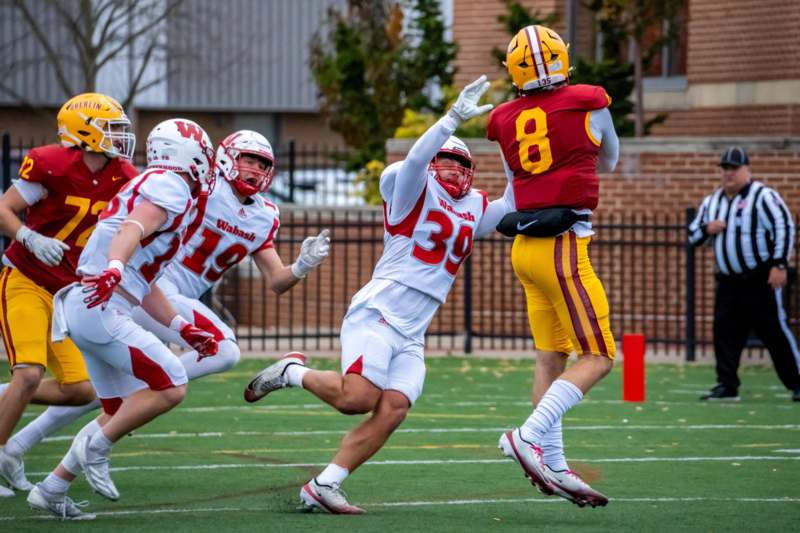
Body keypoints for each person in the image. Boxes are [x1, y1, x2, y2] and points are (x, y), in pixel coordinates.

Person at [243, 76, 514, 514]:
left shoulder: (473, 208)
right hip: (379, 312)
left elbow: (514, 200)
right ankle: (291, 372)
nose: (453, 169)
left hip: (413, 330)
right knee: (357, 399)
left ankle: (325, 484)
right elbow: (413, 162)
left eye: (461, 165)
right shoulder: (413, 188)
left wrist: (512, 147)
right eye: (445, 160)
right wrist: (451, 120)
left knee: (393, 409)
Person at [26, 118, 220, 520]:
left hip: (94, 302)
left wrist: (183, 328)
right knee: (172, 385)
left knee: (118, 411)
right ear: (190, 154)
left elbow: (143, 284)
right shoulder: (173, 185)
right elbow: (133, 227)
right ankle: (97, 448)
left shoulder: (156, 184)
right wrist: (115, 265)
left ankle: (53, 486)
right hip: (100, 305)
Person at [486, 25, 619, 508]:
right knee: (601, 356)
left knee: (550, 357)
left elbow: (513, 188)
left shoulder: (503, 119)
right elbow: (609, 161)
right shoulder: (590, 102)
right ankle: (529, 436)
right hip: (564, 245)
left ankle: (555, 463)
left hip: (525, 247)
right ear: (563, 59)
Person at [0, 93, 138, 495]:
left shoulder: (124, 174)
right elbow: (4, 209)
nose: (120, 137)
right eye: (111, 128)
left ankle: (8, 407)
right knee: (28, 373)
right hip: (26, 278)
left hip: (69, 291)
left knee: (82, 390)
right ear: (83, 131)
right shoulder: (52, 163)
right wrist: (27, 235)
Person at [129, 129, 330, 380]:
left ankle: (147, 386)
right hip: (155, 288)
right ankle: (158, 382)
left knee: (104, 392)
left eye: (262, 164)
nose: (256, 170)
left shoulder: (264, 217)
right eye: (249, 160)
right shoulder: (204, 186)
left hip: (178, 300)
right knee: (223, 350)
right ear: (227, 157)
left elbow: (277, 280)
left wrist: (302, 265)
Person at [689, 146, 800, 402]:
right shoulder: (712, 201)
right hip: (728, 281)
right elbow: (693, 235)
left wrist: (779, 264)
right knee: (724, 332)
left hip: (759, 278)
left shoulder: (763, 196)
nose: (729, 174)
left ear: (746, 170)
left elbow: (784, 226)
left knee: (774, 331)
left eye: (734, 168)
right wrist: (708, 228)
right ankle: (727, 385)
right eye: (725, 168)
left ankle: (796, 382)